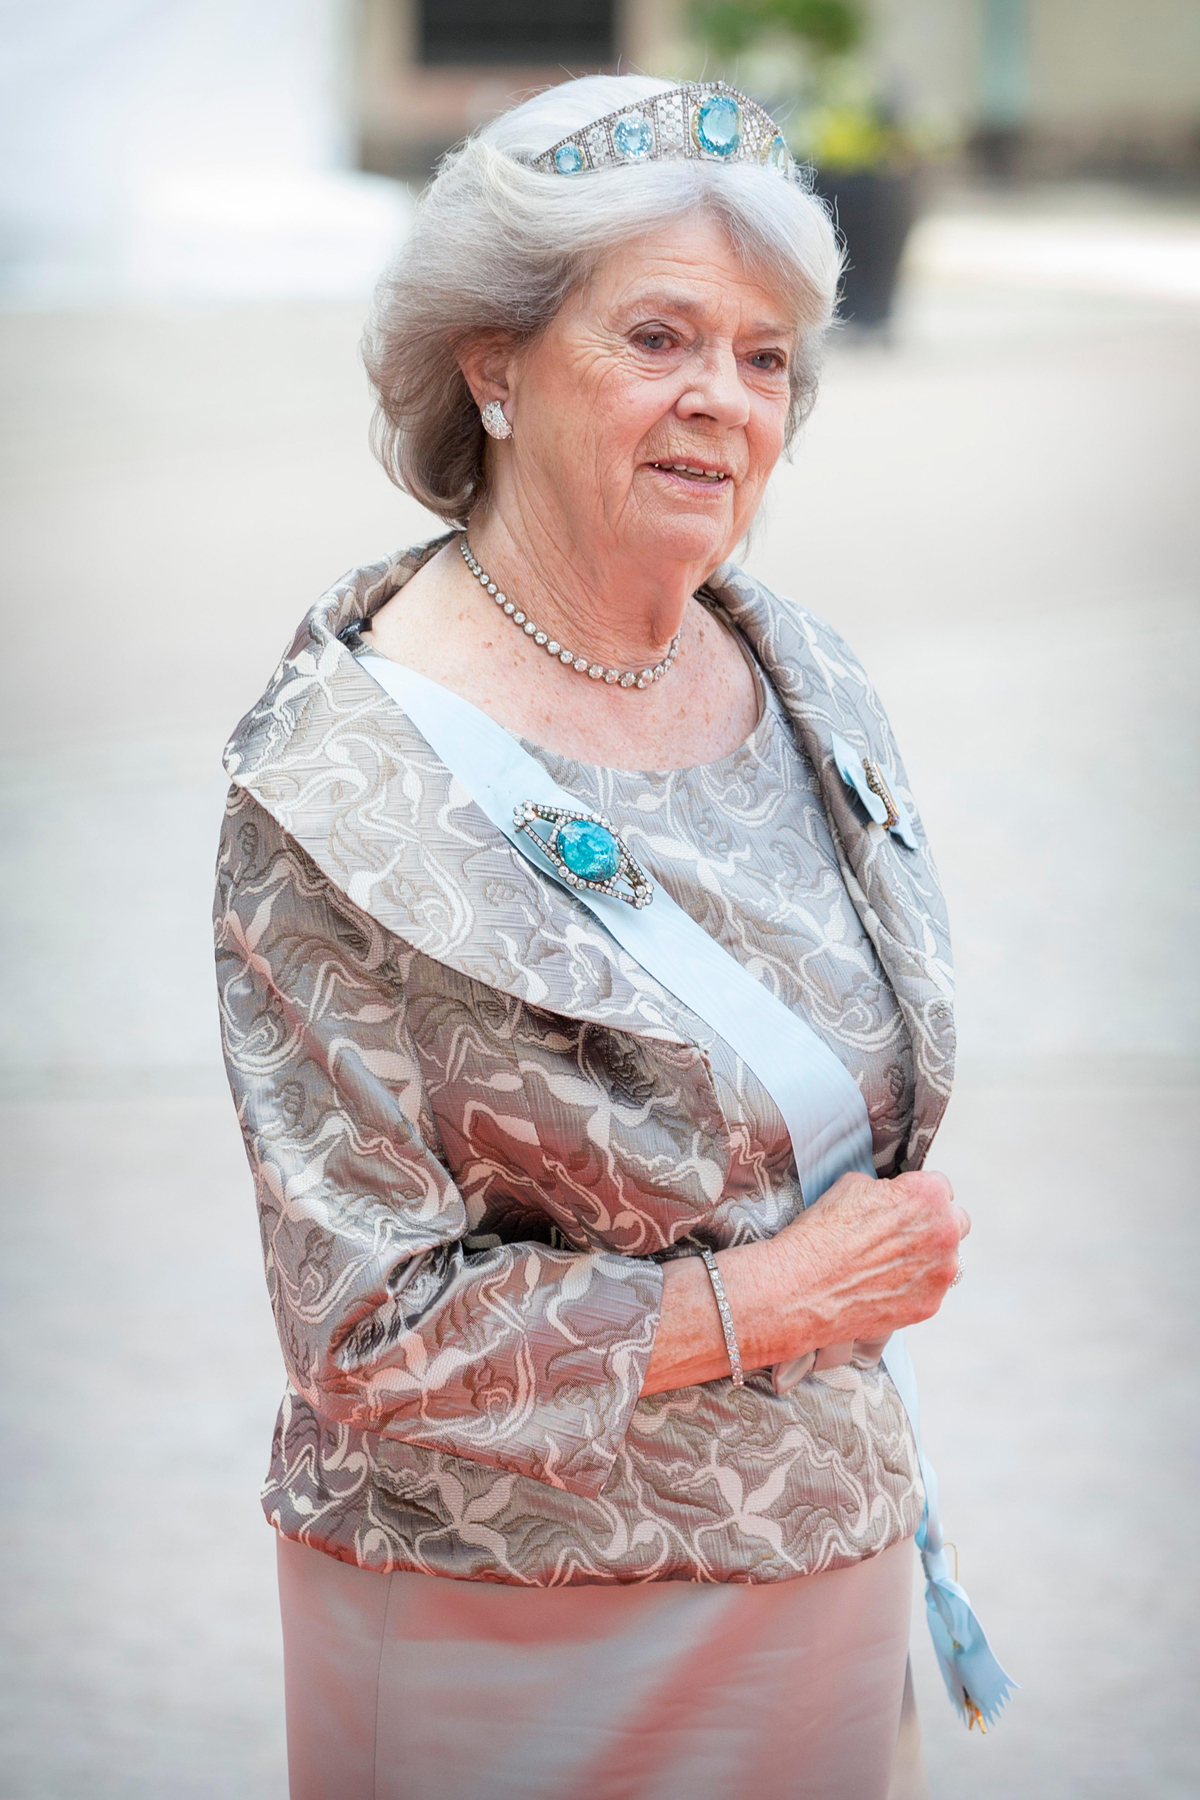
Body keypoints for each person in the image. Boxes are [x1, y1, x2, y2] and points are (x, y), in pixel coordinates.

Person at [215, 73, 977, 1800]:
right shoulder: (339, 783)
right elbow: (363, 1329)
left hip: (827, 1561)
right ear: (493, 364)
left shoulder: (805, 674)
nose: (724, 399)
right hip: (517, 1622)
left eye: (766, 355)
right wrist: (771, 1300)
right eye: (658, 339)